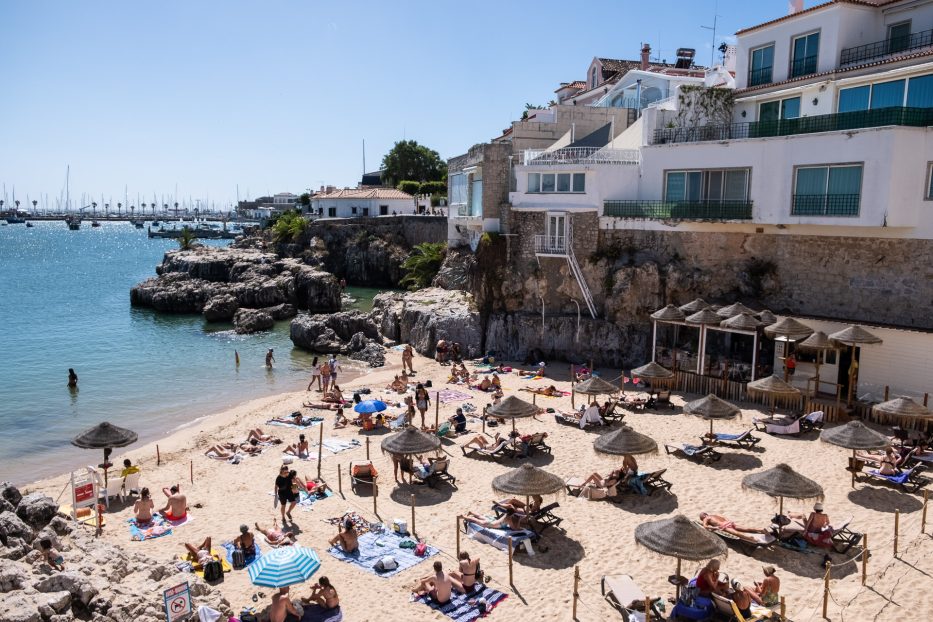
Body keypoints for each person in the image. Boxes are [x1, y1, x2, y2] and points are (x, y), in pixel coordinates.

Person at [699, 513, 769, 543]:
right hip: (729, 522)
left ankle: (751, 538)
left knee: (737, 533)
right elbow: (724, 517)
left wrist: (715, 528)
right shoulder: (714, 515)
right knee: (746, 528)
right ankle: (761, 530)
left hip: (724, 526)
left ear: (703, 517)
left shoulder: (706, 519)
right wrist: (729, 520)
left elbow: (705, 526)